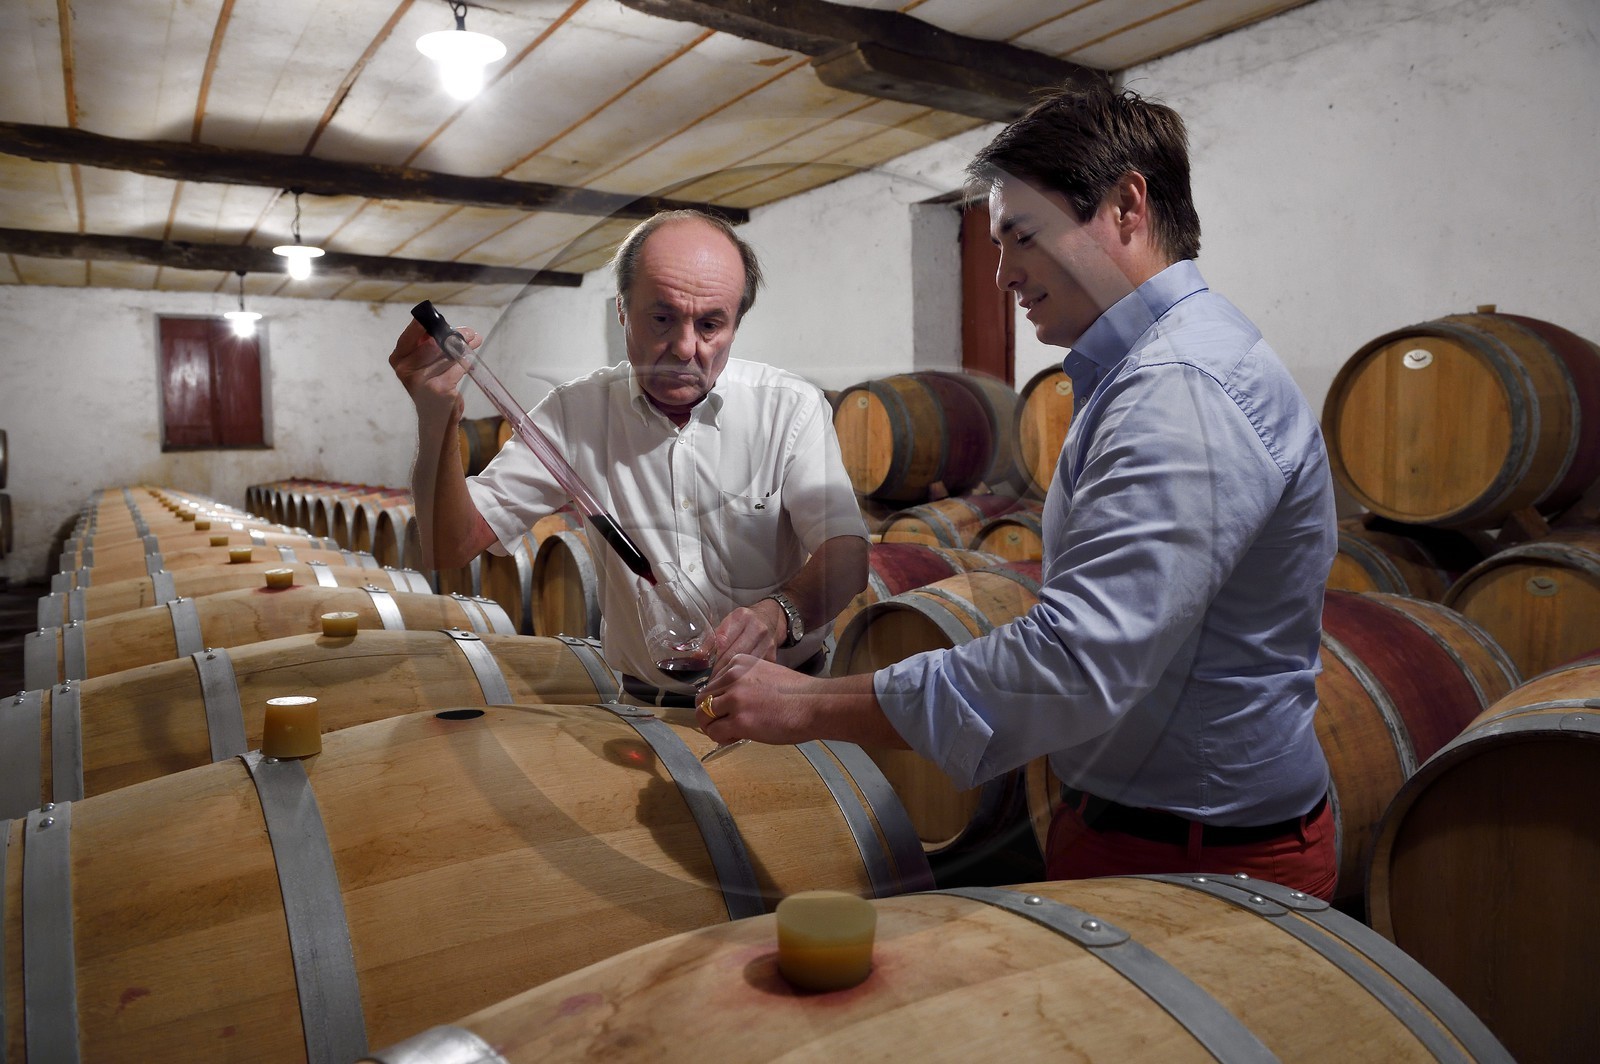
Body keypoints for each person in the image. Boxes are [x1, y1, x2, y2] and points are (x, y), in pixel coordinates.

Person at [699, 82, 1339, 899]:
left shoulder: (1182, 388)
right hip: (1143, 824)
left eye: (1022, 236)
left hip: (1195, 855)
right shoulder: (1155, 370)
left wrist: (807, 708)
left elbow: (1076, 661)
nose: (1002, 273)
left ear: (1126, 206)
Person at [389, 210, 869, 702]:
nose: (685, 347)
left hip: (787, 700)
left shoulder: (788, 407)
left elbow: (847, 554)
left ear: (736, 323)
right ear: (621, 308)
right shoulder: (573, 415)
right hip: (653, 713)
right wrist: (436, 416)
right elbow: (451, 545)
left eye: (710, 325)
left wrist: (778, 614)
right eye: (661, 318)